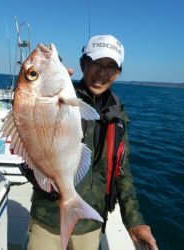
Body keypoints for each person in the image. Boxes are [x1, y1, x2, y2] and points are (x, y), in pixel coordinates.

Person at [24, 35, 158, 250]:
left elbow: (121, 171)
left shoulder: (117, 114)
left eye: (110, 67)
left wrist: (134, 221)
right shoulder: (62, 95)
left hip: (91, 221)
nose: (101, 73)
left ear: (118, 73)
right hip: (48, 219)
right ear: (82, 64)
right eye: (95, 63)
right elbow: (30, 153)